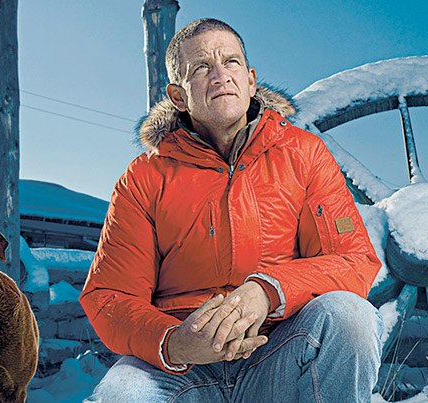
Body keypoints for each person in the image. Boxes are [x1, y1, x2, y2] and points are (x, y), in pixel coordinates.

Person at [80, 18, 383, 402]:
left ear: (251, 80)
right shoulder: (144, 177)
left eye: (231, 62)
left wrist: (268, 291)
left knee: (351, 316)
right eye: (201, 68)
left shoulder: (305, 154)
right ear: (178, 97)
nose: (220, 75)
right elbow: (110, 295)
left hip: (279, 349)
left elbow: (353, 260)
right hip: (182, 366)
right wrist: (175, 343)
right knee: (123, 392)